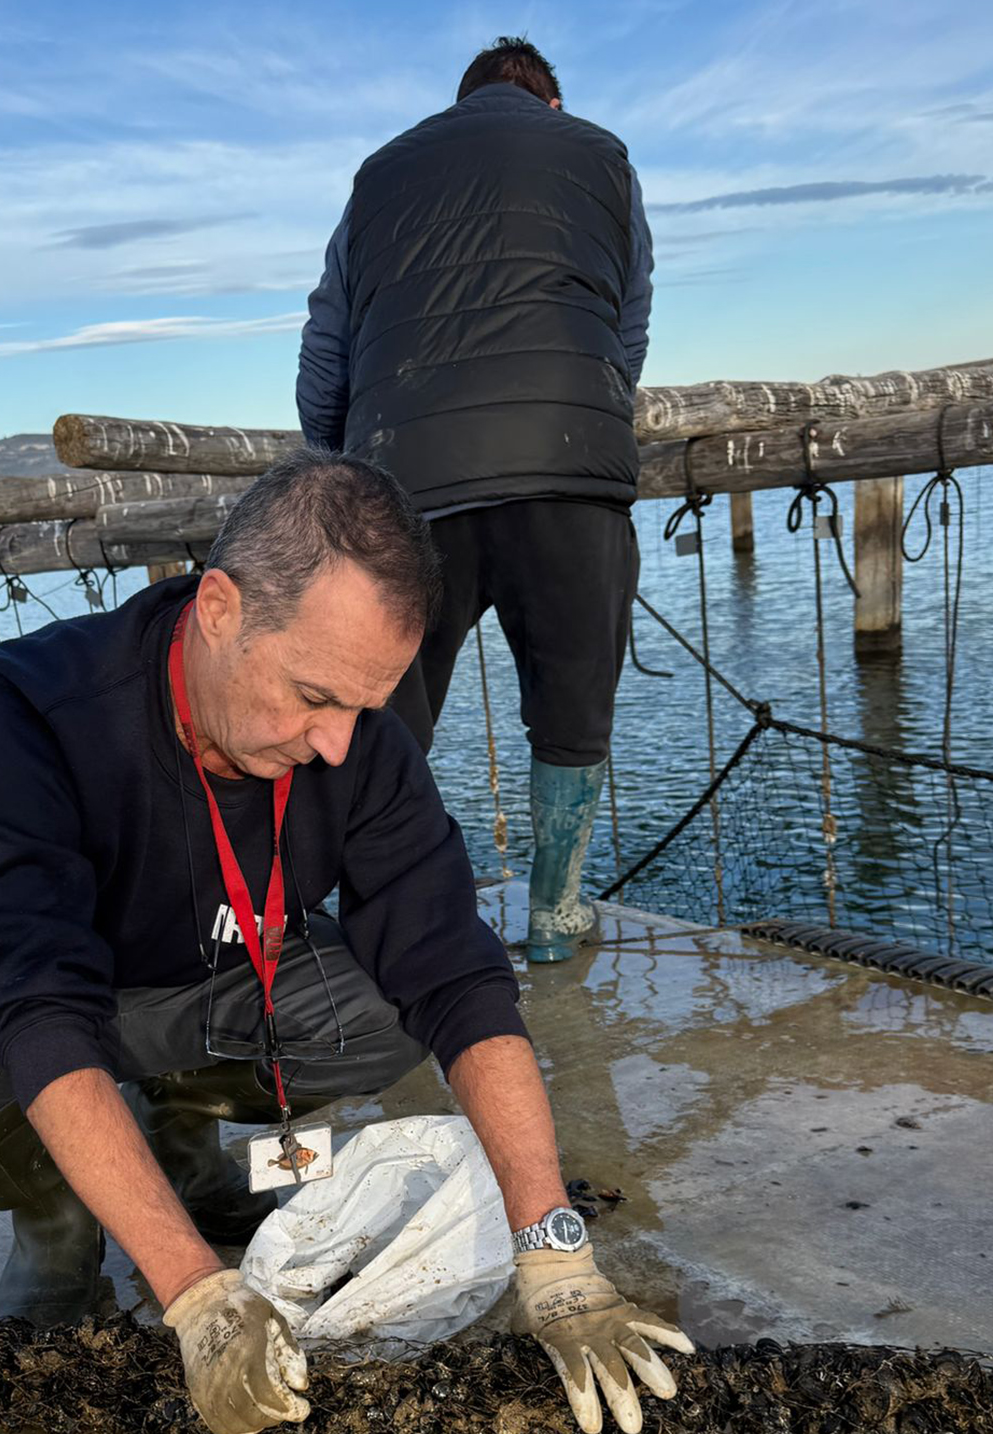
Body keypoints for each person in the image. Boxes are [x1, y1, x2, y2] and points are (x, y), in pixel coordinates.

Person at [0, 450, 689, 1434]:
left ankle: (178, 1138)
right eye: (313, 695)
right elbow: (39, 1003)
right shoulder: (28, 707)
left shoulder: (354, 737)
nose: (333, 745)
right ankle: (53, 1218)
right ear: (219, 608)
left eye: (363, 706)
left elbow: (455, 969)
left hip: (205, 987)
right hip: (23, 1003)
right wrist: (194, 1291)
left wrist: (552, 1248)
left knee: (388, 1002)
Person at [297, 36, 653, 964]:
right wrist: (586, 415)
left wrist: (346, 469)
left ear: (460, 104)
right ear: (551, 105)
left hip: (407, 486)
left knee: (386, 720)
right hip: (570, 472)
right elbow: (628, 321)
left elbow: (326, 349)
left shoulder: (378, 175)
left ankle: (398, 935)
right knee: (571, 711)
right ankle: (554, 918)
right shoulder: (601, 156)